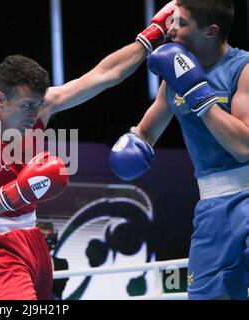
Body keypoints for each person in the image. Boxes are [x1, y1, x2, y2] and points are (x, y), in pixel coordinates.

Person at [0, 1, 177, 300]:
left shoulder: (41, 108)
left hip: (33, 240)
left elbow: (104, 75)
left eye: (38, 104)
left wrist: (152, 35)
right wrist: (19, 191)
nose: (34, 114)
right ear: (0, 99)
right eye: (26, 106)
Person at [109, 0, 249, 300]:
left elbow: (243, 147)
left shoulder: (244, 68)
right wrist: (133, 142)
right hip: (213, 208)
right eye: (172, 21)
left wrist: (198, 92)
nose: (170, 29)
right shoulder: (174, 73)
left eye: (181, 23)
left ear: (210, 31)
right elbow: (147, 130)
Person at [37, 221, 69, 300]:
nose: (46, 240)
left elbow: (58, 292)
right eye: (42, 236)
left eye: (49, 236)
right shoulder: (23, 262)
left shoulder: (62, 264)